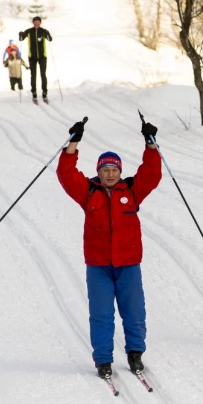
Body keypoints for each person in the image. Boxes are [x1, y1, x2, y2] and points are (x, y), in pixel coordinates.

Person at [56, 118, 162, 379]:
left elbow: (152, 174)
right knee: (101, 314)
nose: (111, 174)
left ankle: (135, 352)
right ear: (99, 173)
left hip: (128, 263)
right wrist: (73, 142)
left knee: (134, 310)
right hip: (99, 265)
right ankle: (103, 359)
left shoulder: (132, 191)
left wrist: (150, 145)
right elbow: (66, 174)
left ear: (120, 171)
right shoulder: (88, 192)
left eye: (114, 169)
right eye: (105, 170)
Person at [18, 16, 52, 101]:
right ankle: (34, 92)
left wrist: (48, 34)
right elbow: (21, 39)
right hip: (32, 57)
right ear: (33, 23)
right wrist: (20, 34)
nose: (36, 23)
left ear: (40, 23)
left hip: (42, 57)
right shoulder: (29, 31)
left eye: (38, 22)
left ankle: (44, 92)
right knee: (33, 75)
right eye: (35, 22)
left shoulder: (43, 31)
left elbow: (50, 39)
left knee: (43, 75)